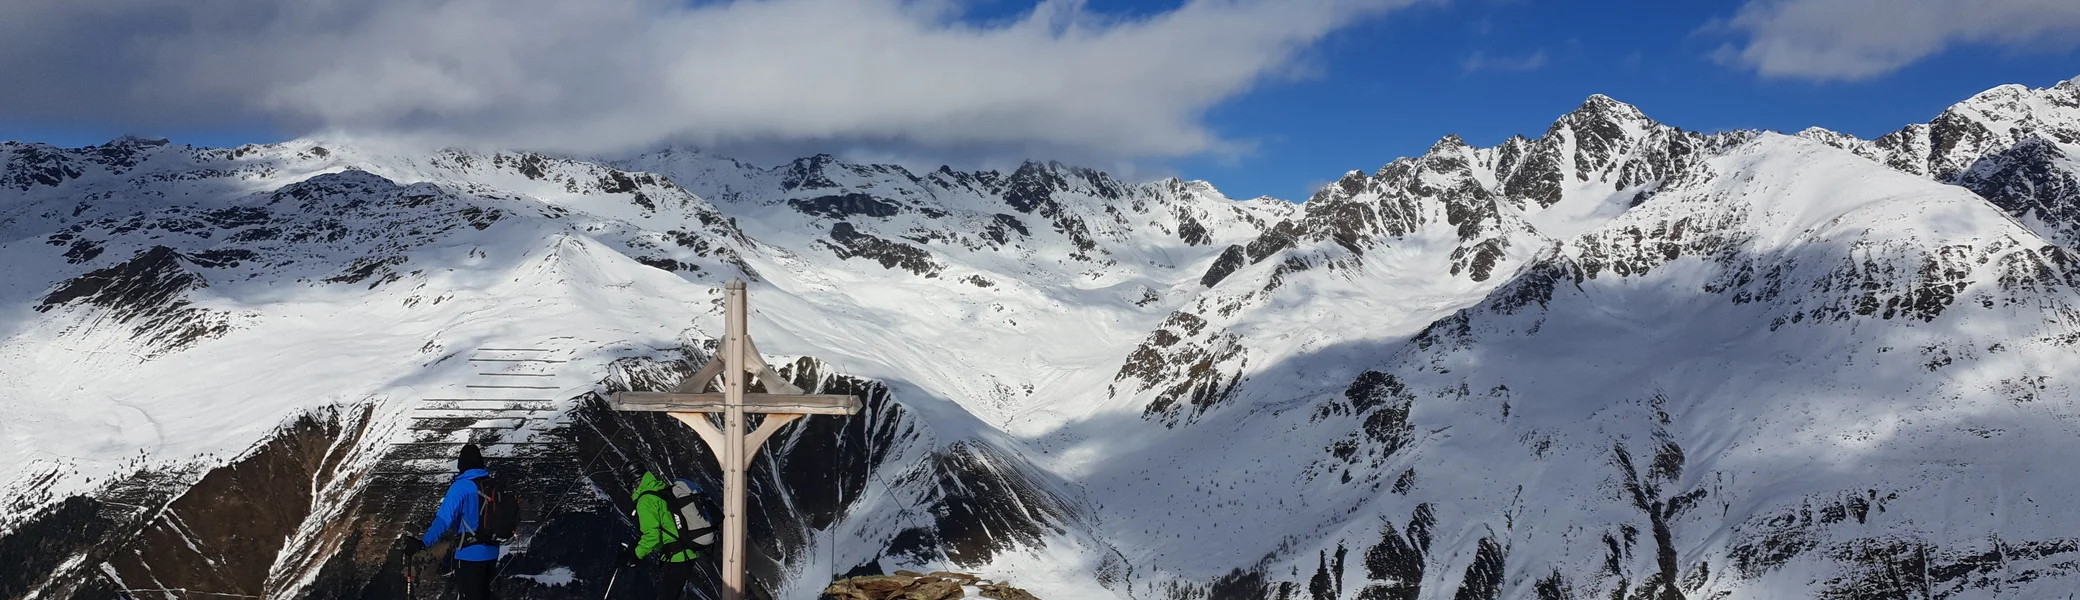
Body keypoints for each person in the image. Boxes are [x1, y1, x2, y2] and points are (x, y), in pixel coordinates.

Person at [407, 443, 500, 600]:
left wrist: (423, 543)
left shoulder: (461, 487)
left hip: (469, 556)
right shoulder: (491, 485)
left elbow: (443, 520)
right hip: (492, 553)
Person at [623, 463, 710, 600]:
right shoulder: (659, 489)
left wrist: (635, 555)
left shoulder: (645, 500)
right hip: (685, 553)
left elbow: (653, 536)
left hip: (676, 557)